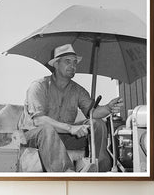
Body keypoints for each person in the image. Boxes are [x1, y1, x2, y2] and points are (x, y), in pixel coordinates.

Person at [18, 43, 123, 172]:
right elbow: (39, 121)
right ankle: (67, 173)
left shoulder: (78, 90)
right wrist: (70, 128)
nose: (73, 66)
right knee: (47, 129)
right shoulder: (39, 86)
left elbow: (92, 113)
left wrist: (108, 108)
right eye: (68, 61)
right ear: (56, 64)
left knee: (97, 123)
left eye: (75, 63)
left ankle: (100, 169)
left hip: (64, 136)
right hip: (33, 136)